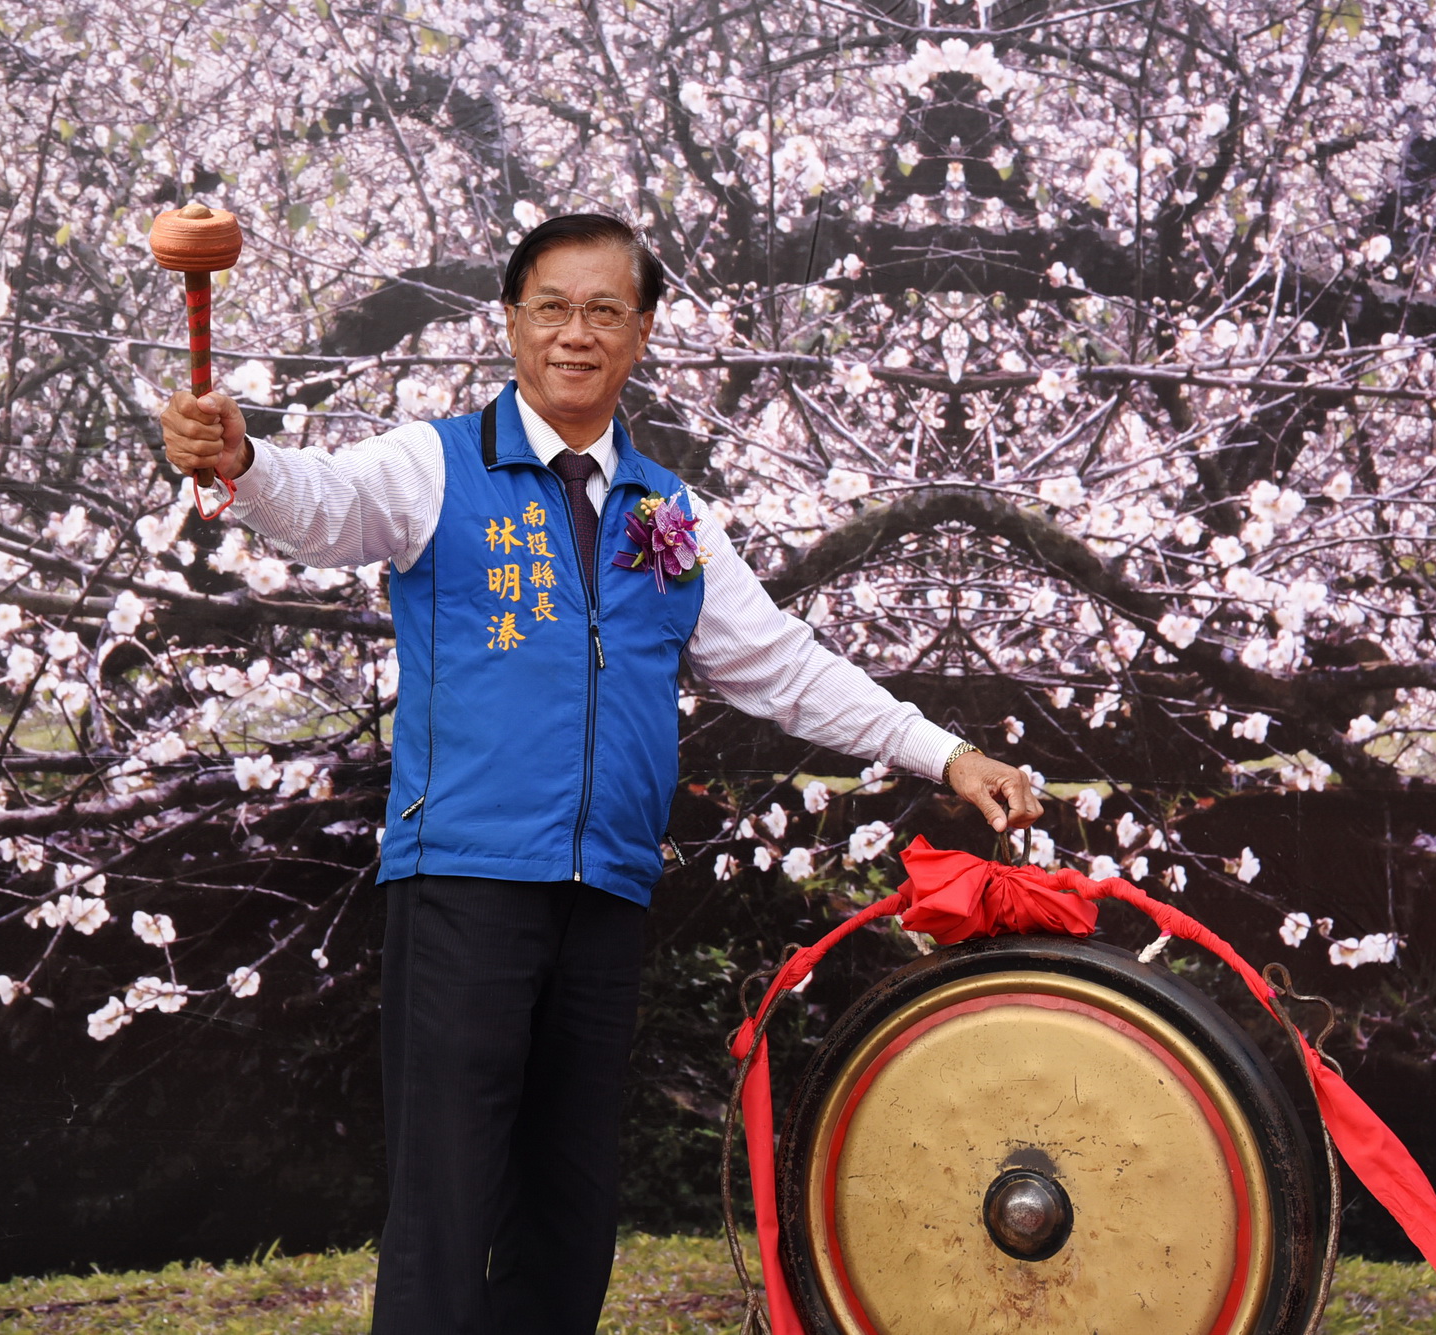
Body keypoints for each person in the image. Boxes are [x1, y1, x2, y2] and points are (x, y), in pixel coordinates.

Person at [159, 213, 1043, 1335]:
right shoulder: (435, 464)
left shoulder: (666, 512)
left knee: (569, 1205)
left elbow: (780, 667)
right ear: (512, 325)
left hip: (606, 891)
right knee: (449, 1195)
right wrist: (240, 458)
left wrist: (947, 752)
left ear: (640, 333)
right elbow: (326, 506)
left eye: (603, 312)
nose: (575, 335)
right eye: (551, 309)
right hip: (465, 883)